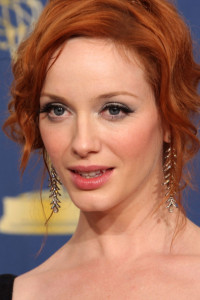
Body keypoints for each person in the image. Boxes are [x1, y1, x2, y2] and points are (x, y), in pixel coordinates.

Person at [1, 0, 200, 299]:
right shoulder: (19, 291)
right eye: (57, 110)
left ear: (170, 118)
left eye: (114, 110)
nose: (82, 144)